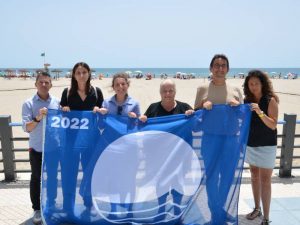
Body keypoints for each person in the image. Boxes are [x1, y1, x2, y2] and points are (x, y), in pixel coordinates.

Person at [193, 54, 243, 223]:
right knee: (212, 177)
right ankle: (216, 211)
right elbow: (196, 114)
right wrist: (202, 105)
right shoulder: (202, 89)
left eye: (223, 65)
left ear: (227, 69)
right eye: (217, 65)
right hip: (210, 139)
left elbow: (242, 115)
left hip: (231, 139)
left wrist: (238, 107)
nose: (220, 68)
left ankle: (219, 209)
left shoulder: (236, 89)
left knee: (227, 176)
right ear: (211, 68)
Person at [140, 79, 193, 220]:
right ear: (160, 92)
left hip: (180, 156)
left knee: (178, 184)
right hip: (159, 157)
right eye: (164, 91)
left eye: (170, 91)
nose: (167, 94)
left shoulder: (184, 108)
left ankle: (177, 211)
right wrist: (143, 119)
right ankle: (161, 210)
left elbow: (196, 126)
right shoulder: (153, 108)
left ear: (175, 92)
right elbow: (144, 129)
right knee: (160, 185)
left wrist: (192, 115)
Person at [60, 62, 104, 217]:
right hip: (71, 141)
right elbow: (60, 116)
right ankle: (68, 206)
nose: (81, 75)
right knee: (69, 173)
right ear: (73, 75)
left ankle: (89, 203)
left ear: (89, 73)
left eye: (84, 72)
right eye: (78, 72)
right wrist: (63, 110)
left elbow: (103, 117)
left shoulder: (97, 92)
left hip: (91, 140)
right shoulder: (67, 92)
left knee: (89, 173)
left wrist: (99, 111)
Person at [96, 72, 141, 218]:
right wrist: (100, 114)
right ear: (113, 87)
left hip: (130, 149)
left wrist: (136, 119)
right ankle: (114, 209)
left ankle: (129, 210)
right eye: (117, 85)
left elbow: (139, 127)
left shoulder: (135, 104)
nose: (120, 87)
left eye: (123, 84)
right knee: (113, 179)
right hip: (112, 148)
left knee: (130, 180)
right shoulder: (106, 103)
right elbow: (100, 125)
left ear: (127, 85)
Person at [22, 71, 60, 224]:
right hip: (36, 148)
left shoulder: (57, 102)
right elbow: (27, 128)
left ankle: (50, 205)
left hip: (53, 148)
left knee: (52, 178)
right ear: (36, 84)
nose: (44, 85)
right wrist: (38, 117)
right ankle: (37, 209)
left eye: (47, 82)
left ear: (51, 84)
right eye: (41, 82)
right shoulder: (29, 103)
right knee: (36, 179)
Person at [243, 70, 279, 225]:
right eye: (250, 84)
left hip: (267, 145)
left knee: (265, 180)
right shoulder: (247, 101)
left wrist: (259, 112)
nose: (253, 87)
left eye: (256, 83)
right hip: (251, 144)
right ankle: (257, 208)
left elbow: (273, 124)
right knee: (254, 175)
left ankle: (266, 217)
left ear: (262, 83)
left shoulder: (270, 100)